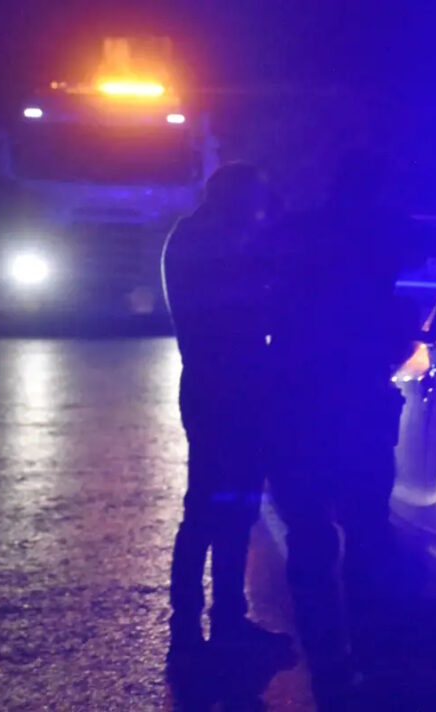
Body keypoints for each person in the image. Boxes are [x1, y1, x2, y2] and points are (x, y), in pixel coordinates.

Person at [268, 149, 422, 707]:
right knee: (366, 532)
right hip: (358, 405)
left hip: (297, 408)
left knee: (310, 538)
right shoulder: (384, 232)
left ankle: (326, 660)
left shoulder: (297, 233)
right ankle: (369, 655)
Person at [162, 162, 291, 670]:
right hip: (227, 391)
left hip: (213, 388)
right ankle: (210, 626)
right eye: (255, 201)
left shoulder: (194, 237)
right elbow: (253, 304)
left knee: (220, 507)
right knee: (222, 508)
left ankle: (205, 625)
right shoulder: (213, 244)